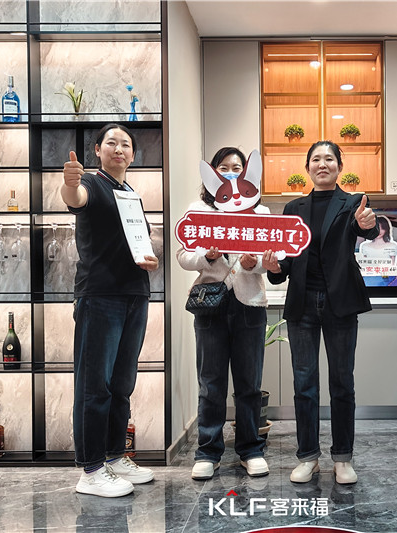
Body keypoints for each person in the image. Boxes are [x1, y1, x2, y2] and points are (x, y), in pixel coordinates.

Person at [263, 140, 377, 485]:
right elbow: (284, 262)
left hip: (340, 302)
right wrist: (274, 267)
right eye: (316, 159)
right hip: (302, 303)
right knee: (304, 384)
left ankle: (343, 458)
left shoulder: (353, 203)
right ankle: (308, 457)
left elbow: (364, 227)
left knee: (342, 382)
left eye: (329, 159)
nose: (322, 164)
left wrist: (367, 224)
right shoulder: (293, 208)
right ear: (308, 167)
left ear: (339, 167)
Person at [61, 123, 159, 498]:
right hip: (100, 296)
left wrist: (150, 260)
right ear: (98, 150)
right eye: (111, 143)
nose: (119, 149)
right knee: (94, 386)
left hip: (134, 294)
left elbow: (135, 244)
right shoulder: (92, 183)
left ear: (132, 155)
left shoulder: (130, 193)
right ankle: (90, 470)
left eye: (126, 145)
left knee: (121, 384)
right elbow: (75, 198)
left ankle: (115, 457)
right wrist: (70, 183)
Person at [177, 147, 271, 480]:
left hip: (250, 303)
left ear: (246, 174)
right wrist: (208, 257)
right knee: (210, 383)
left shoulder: (260, 212)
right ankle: (208, 451)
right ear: (213, 174)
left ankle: (251, 449)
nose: (231, 172)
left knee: (249, 383)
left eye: (237, 167)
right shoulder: (198, 210)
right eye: (224, 167)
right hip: (210, 305)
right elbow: (183, 256)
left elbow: (271, 259)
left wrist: (253, 263)